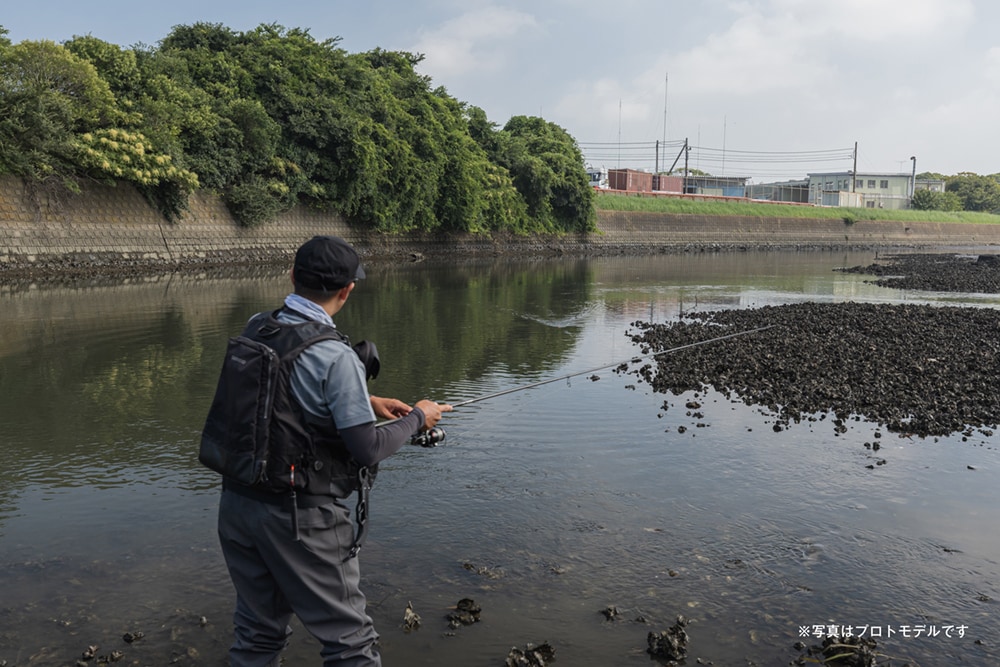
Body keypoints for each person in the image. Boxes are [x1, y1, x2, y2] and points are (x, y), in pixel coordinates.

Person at [214, 235, 451, 666]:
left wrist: (369, 402)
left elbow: (275, 402)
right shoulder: (335, 356)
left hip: (238, 505)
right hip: (299, 518)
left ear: (292, 275)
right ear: (347, 290)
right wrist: (418, 417)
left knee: (257, 635)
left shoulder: (257, 326)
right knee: (350, 644)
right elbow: (367, 449)